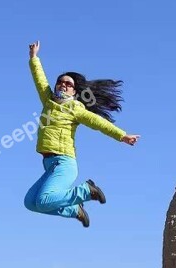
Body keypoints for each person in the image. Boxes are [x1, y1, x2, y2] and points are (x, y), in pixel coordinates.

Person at [23, 40, 140, 227]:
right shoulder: (49, 102)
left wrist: (122, 135)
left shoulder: (75, 108)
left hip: (64, 162)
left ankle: (87, 191)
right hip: (49, 164)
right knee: (30, 202)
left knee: (44, 200)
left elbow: (98, 122)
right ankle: (74, 210)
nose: (63, 85)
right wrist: (34, 58)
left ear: (74, 91)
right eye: (60, 82)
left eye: (68, 84)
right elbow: (40, 80)